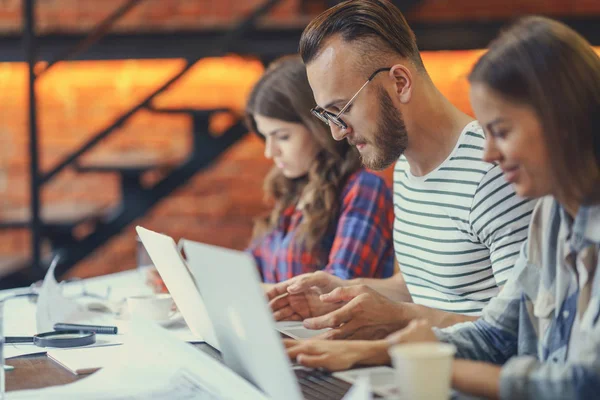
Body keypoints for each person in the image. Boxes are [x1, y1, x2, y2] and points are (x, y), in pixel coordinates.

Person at [285, 16, 600, 399]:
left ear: (560, 123)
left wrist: (407, 347)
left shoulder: (510, 187)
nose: (489, 153)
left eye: (501, 131)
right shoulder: (552, 217)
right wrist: (368, 349)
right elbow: (498, 330)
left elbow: (579, 384)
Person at [267, 0, 536, 339]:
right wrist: (341, 293)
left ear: (400, 83)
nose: (337, 131)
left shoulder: (496, 172)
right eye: (327, 115)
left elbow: (523, 330)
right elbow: (421, 288)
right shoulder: (407, 169)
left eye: (342, 109)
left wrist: (402, 319)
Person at [148, 55, 396, 291]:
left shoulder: (363, 188)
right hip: (287, 332)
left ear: (320, 128)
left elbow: (337, 289)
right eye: (266, 137)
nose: (270, 152)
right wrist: (191, 276)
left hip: (331, 335)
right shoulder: (296, 189)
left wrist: (225, 288)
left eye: (283, 136)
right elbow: (252, 267)